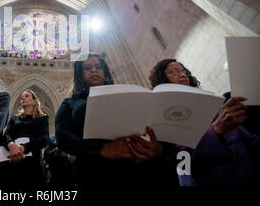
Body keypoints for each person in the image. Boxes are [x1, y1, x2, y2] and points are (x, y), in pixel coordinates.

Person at [55, 53, 178, 187]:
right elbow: (62, 135)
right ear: (80, 73)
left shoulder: (123, 94)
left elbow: (150, 123)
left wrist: (156, 148)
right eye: (88, 67)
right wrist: (101, 149)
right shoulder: (71, 102)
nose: (94, 70)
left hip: (133, 166)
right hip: (93, 169)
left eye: (98, 66)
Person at [149, 58, 260, 186]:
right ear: (162, 80)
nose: (182, 75)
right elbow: (183, 160)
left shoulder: (211, 103)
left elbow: (247, 139)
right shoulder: (164, 119)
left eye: (183, 71)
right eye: (173, 72)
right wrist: (215, 131)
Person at [0, 89, 50, 188]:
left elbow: (44, 139)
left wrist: (23, 148)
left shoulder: (43, 119)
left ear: (35, 101)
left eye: (27, 96)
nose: (23, 98)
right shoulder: (14, 119)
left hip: (33, 165)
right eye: (22, 96)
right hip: (13, 161)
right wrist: (11, 144)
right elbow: (6, 135)